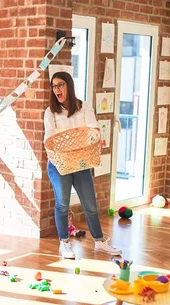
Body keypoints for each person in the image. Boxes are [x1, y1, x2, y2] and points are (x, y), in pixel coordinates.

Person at [44, 71, 121, 259]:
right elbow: (50, 138)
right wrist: (75, 139)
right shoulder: (50, 112)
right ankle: (64, 244)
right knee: (62, 205)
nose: (57, 89)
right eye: (54, 86)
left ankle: (100, 241)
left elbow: (93, 128)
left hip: (81, 163)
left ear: (69, 86)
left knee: (90, 205)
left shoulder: (83, 107)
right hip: (59, 164)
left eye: (60, 85)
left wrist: (87, 137)